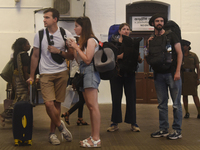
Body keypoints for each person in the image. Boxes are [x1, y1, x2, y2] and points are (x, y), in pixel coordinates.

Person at [27, 8, 74, 145]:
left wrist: (58, 51)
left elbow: (71, 56)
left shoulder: (66, 34)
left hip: (61, 73)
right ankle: (61, 126)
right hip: (45, 74)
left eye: (47, 17)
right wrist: (31, 76)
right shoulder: (40, 35)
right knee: (48, 104)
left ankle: (52, 134)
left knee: (57, 104)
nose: (44, 20)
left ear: (55, 19)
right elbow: (35, 56)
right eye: (44, 17)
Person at [147, 13, 183, 140]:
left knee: (176, 104)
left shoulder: (171, 36)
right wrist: (147, 44)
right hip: (158, 75)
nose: (159, 23)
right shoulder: (151, 39)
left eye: (161, 21)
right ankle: (163, 129)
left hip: (172, 74)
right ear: (153, 23)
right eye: (157, 21)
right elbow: (149, 56)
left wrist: (178, 71)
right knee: (162, 104)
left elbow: (179, 53)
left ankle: (177, 130)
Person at [67, 16, 101, 148]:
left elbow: (87, 60)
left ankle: (96, 139)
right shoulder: (84, 41)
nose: (74, 28)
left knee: (93, 106)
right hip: (84, 71)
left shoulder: (91, 40)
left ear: (83, 27)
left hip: (90, 72)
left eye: (76, 26)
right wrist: (73, 48)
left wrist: (76, 47)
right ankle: (93, 136)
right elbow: (79, 60)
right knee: (90, 106)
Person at [107, 23, 142, 132]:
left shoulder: (133, 43)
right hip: (116, 74)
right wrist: (118, 57)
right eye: (124, 29)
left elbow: (139, 59)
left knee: (131, 99)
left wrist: (139, 58)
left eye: (128, 29)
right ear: (119, 31)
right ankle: (114, 123)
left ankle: (133, 123)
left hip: (130, 74)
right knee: (116, 99)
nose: (126, 31)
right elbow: (108, 57)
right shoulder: (113, 43)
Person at [0, 38, 31, 126]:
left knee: (16, 99)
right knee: (22, 100)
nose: (29, 46)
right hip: (21, 80)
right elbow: (25, 71)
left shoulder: (16, 54)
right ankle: (19, 119)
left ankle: (10, 117)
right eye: (28, 44)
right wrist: (28, 83)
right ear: (23, 46)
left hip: (15, 79)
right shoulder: (24, 55)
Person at [61, 59, 89, 126]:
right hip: (77, 75)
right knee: (83, 99)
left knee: (81, 97)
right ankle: (68, 113)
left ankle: (80, 118)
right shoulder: (77, 49)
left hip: (75, 74)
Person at [181, 39, 200, 119]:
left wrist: (198, 78)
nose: (183, 47)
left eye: (184, 46)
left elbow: (198, 68)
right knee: (184, 95)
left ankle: (199, 112)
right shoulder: (180, 55)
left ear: (188, 46)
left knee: (194, 95)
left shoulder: (193, 55)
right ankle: (187, 112)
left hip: (192, 76)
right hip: (183, 77)